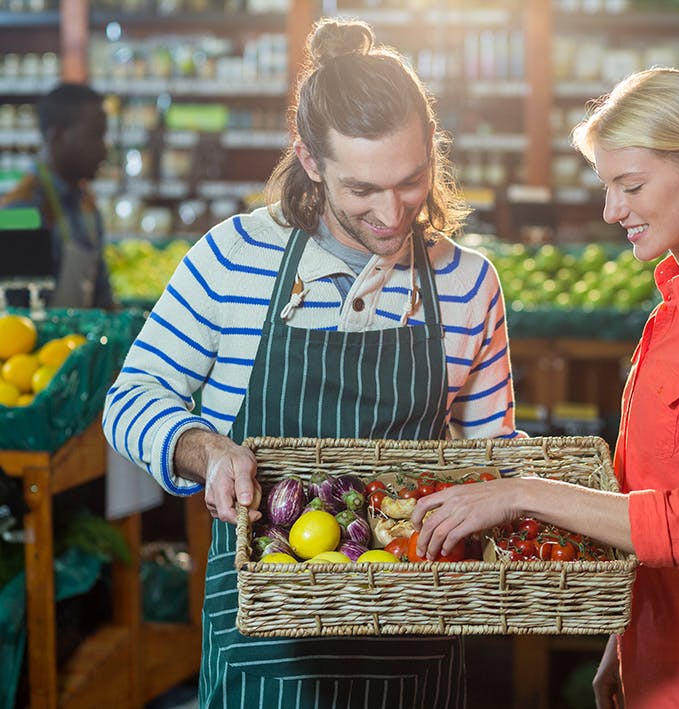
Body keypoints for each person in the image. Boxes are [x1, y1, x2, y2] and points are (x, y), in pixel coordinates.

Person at [102, 18, 518, 708]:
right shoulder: (233, 257)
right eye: (362, 191)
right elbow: (131, 396)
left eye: (412, 181)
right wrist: (203, 447)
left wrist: (519, 479)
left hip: (411, 642)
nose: (391, 213)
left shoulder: (468, 283)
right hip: (262, 652)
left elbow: (490, 450)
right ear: (310, 158)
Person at [412, 68, 679, 708]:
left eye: (630, 185)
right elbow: (651, 495)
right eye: (608, 187)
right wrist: (625, 631)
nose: (612, 211)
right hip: (660, 651)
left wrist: (521, 494)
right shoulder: (678, 305)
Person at [0, 82, 113, 309]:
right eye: (96, 135)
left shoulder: (86, 203)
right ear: (57, 137)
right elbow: (18, 311)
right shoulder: (21, 208)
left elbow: (102, 295)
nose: (104, 148)